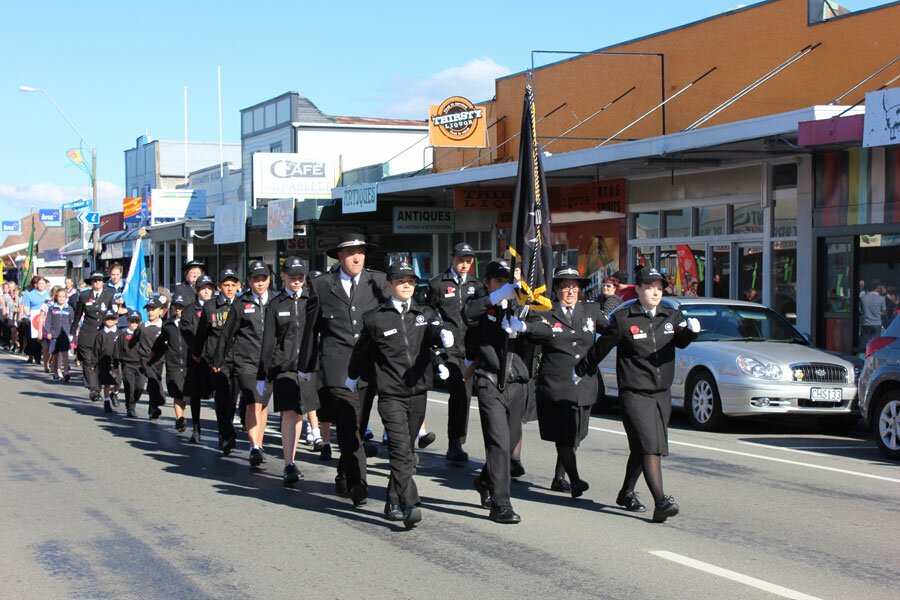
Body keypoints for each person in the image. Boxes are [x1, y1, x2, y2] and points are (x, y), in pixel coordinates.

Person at [574, 267, 701, 522]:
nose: (655, 292)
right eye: (650, 287)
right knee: (650, 446)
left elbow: (681, 341)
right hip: (634, 392)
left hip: (661, 393)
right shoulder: (623, 318)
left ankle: (626, 492)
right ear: (639, 289)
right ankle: (661, 502)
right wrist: (580, 370)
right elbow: (601, 347)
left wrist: (691, 332)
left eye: (659, 288)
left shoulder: (670, 315)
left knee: (641, 447)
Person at [347, 261, 453, 527]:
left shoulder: (425, 312)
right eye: (401, 281)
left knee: (408, 449)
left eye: (411, 281)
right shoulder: (375, 317)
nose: (407, 285)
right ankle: (410, 503)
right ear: (389, 284)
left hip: (418, 392)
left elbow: (433, 337)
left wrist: (442, 351)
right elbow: (361, 351)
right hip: (391, 394)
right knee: (400, 450)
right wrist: (351, 376)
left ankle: (392, 500)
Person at [300, 232, 387, 506]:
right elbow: (311, 329)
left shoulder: (378, 282)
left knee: (358, 426)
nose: (356, 257)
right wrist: (306, 367)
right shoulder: (322, 284)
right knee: (348, 424)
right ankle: (358, 482)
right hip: (336, 364)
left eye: (360, 251)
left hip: (367, 366)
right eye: (350, 252)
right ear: (339, 256)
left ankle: (342, 474)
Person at [510, 267, 604, 498]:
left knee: (575, 435)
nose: (570, 291)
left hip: (584, 382)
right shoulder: (547, 311)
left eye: (574, 286)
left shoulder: (590, 309)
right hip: (556, 383)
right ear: (557, 290)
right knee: (563, 433)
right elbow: (533, 331)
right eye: (564, 287)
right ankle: (574, 480)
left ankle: (559, 478)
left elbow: (612, 331)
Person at [462, 258, 528, 524]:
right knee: (499, 444)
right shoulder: (481, 305)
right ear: (487, 283)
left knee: (510, 444)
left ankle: (485, 480)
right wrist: (498, 295)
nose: (505, 285)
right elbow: (468, 313)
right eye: (498, 281)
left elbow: (545, 327)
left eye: (506, 281)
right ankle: (501, 504)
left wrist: (526, 325)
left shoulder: (521, 304)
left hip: (517, 381)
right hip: (489, 381)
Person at [257, 256, 317, 486]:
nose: (296, 280)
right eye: (292, 276)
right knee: (290, 412)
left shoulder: (311, 301)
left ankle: (293, 458)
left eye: (300, 276)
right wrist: (263, 374)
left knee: (300, 412)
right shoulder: (275, 305)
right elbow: (268, 342)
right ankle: (289, 464)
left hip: (308, 368)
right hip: (284, 368)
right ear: (282, 276)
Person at [426, 242, 484, 464]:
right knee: (459, 392)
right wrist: (438, 334)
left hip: (468, 349)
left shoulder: (476, 286)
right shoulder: (437, 284)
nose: (464, 264)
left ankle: (456, 442)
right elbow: (428, 312)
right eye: (461, 260)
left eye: (468, 261)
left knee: (465, 397)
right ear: (452, 259)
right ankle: (455, 444)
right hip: (448, 349)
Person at [212, 261, 273, 467]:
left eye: (263, 279)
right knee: (253, 401)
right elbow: (228, 333)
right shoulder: (241, 303)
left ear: (269, 280)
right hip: (245, 361)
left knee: (262, 404)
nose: (260, 283)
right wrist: (218, 359)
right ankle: (253, 446)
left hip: (270, 363)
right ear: (249, 282)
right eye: (256, 279)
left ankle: (260, 443)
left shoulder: (276, 301)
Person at [194, 268, 241, 454]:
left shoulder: (242, 304)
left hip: (239, 357)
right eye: (226, 285)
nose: (230, 289)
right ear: (219, 287)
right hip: (217, 360)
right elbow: (202, 333)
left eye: (233, 285)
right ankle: (225, 435)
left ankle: (228, 429)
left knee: (232, 398)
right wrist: (197, 353)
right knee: (222, 397)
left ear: (239, 286)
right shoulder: (210, 306)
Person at [180, 274, 216, 443]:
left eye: (209, 288)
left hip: (216, 357)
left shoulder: (219, 307)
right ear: (197, 290)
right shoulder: (189, 311)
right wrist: (198, 350)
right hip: (196, 358)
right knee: (195, 395)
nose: (207, 292)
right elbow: (187, 332)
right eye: (203, 289)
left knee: (221, 395)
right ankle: (196, 428)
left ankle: (225, 430)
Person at [71, 272, 115, 401]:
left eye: (99, 280)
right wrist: (72, 332)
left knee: (101, 362)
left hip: (102, 333)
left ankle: (98, 385)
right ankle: (93, 389)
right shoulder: (84, 296)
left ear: (103, 282)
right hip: (87, 333)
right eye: (94, 281)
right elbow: (78, 315)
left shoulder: (109, 295)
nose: (97, 283)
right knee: (88, 361)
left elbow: (114, 313)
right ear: (91, 283)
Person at [153, 294, 190, 434]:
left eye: (181, 307)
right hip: (173, 362)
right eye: (177, 307)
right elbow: (161, 339)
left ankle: (188, 418)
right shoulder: (168, 324)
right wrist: (153, 352)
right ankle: (180, 418)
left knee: (185, 392)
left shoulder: (191, 322)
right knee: (177, 391)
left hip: (189, 362)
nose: (179, 309)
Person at [117, 310, 145, 418]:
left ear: (140, 322)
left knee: (140, 388)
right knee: (130, 386)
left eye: (136, 322)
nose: (134, 324)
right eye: (132, 321)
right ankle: (130, 408)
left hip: (141, 365)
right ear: (128, 322)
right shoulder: (123, 335)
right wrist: (116, 365)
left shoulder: (143, 334)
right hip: (127, 365)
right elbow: (118, 351)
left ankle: (133, 402)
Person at [43, 286, 74, 382]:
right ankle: (56, 372)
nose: (61, 298)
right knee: (55, 355)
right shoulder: (52, 308)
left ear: (66, 297)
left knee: (65, 353)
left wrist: (71, 334)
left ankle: (66, 372)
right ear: (56, 297)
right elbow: (48, 321)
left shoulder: (69, 309)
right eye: (59, 296)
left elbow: (71, 321)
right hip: (54, 335)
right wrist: (48, 332)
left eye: (63, 297)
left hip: (65, 335)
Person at [93, 310, 121, 412]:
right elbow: (96, 349)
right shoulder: (100, 333)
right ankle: (106, 401)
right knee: (107, 383)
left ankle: (114, 393)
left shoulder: (119, 333)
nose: (110, 321)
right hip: (103, 362)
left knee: (118, 381)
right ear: (104, 320)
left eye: (112, 319)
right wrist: (94, 364)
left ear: (116, 320)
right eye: (107, 319)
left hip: (116, 362)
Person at [20, 276, 50, 365]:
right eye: (40, 283)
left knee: (43, 339)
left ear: (46, 285)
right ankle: (31, 355)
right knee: (33, 339)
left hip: (46, 318)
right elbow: (25, 307)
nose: (41, 285)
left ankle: (39, 357)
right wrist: (29, 315)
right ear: (36, 285)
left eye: (43, 283)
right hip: (34, 318)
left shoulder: (49, 294)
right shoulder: (30, 294)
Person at [859, 279, 886, 349]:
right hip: (877, 324)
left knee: (863, 345)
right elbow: (884, 313)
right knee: (876, 346)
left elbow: (861, 310)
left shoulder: (862, 298)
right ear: (877, 287)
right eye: (880, 286)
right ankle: (875, 359)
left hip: (866, 324)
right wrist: (878, 313)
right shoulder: (882, 299)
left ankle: (863, 359)